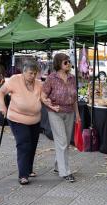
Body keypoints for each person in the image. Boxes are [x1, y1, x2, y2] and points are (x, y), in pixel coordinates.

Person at [0, 60, 42, 185]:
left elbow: (43, 97)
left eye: (35, 73)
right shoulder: (14, 80)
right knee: (24, 144)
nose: (33, 76)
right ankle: (23, 175)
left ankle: (29, 169)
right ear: (24, 72)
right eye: (30, 73)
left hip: (35, 119)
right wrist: (2, 105)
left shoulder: (39, 83)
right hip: (17, 118)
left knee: (32, 145)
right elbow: (1, 92)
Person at [41, 53, 81, 183]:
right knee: (62, 141)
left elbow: (75, 98)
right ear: (58, 63)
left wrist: (78, 115)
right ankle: (65, 172)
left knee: (66, 142)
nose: (68, 64)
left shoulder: (72, 78)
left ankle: (58, 166)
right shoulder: (51, 78)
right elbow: (42, 96)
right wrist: (51, 106)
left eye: (69, 61)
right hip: (55, 112)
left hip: (70, 111)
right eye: (65, 62)